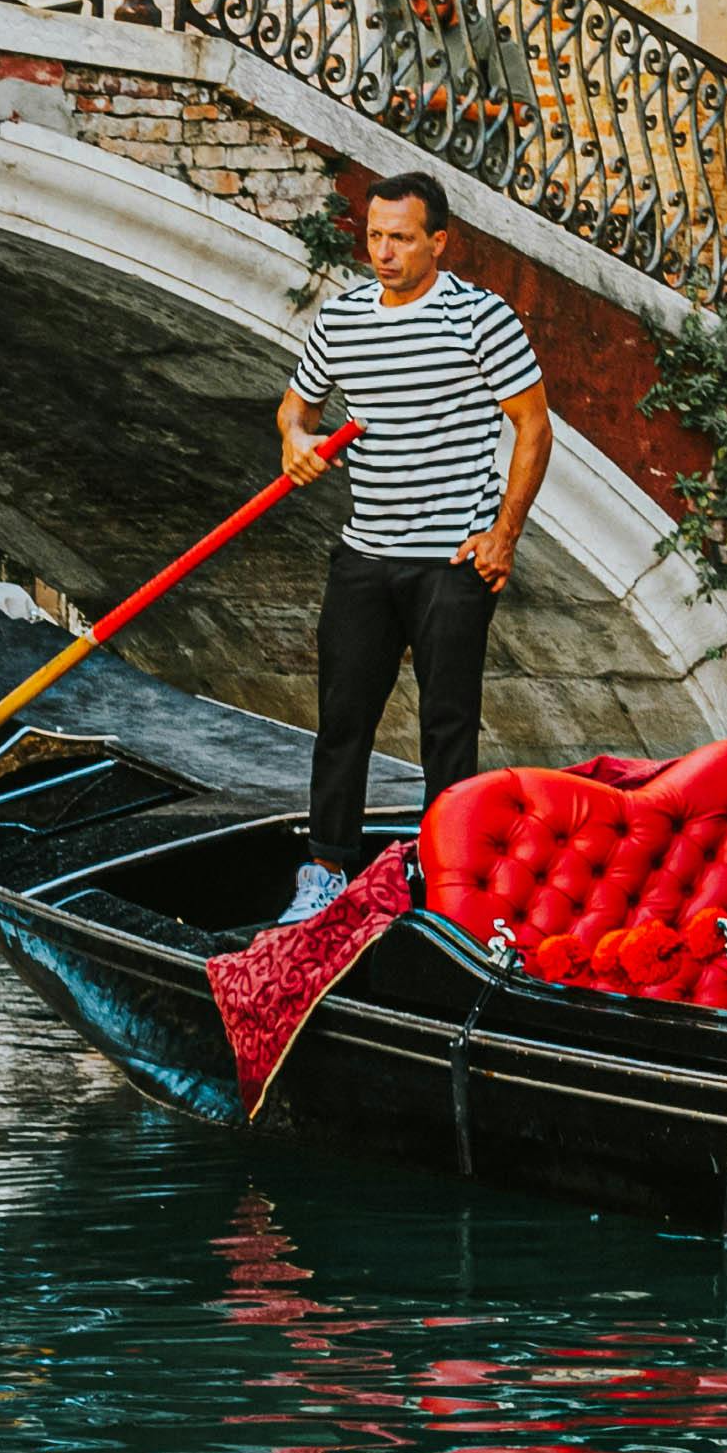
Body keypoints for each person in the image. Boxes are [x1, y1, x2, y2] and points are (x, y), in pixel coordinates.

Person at [274, 172, 552, 923]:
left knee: (448, 727)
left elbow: (533, 426)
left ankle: (446, 886)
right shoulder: (343, 319)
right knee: (342, 719)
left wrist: (505, 535)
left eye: (400, 238)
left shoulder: (480, 319)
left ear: (438, 241)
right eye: (374, 237)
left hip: (451, 559)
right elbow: (295, 407)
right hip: (366, 552)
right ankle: (326, 871)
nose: (384, 252)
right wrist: (295, 441)